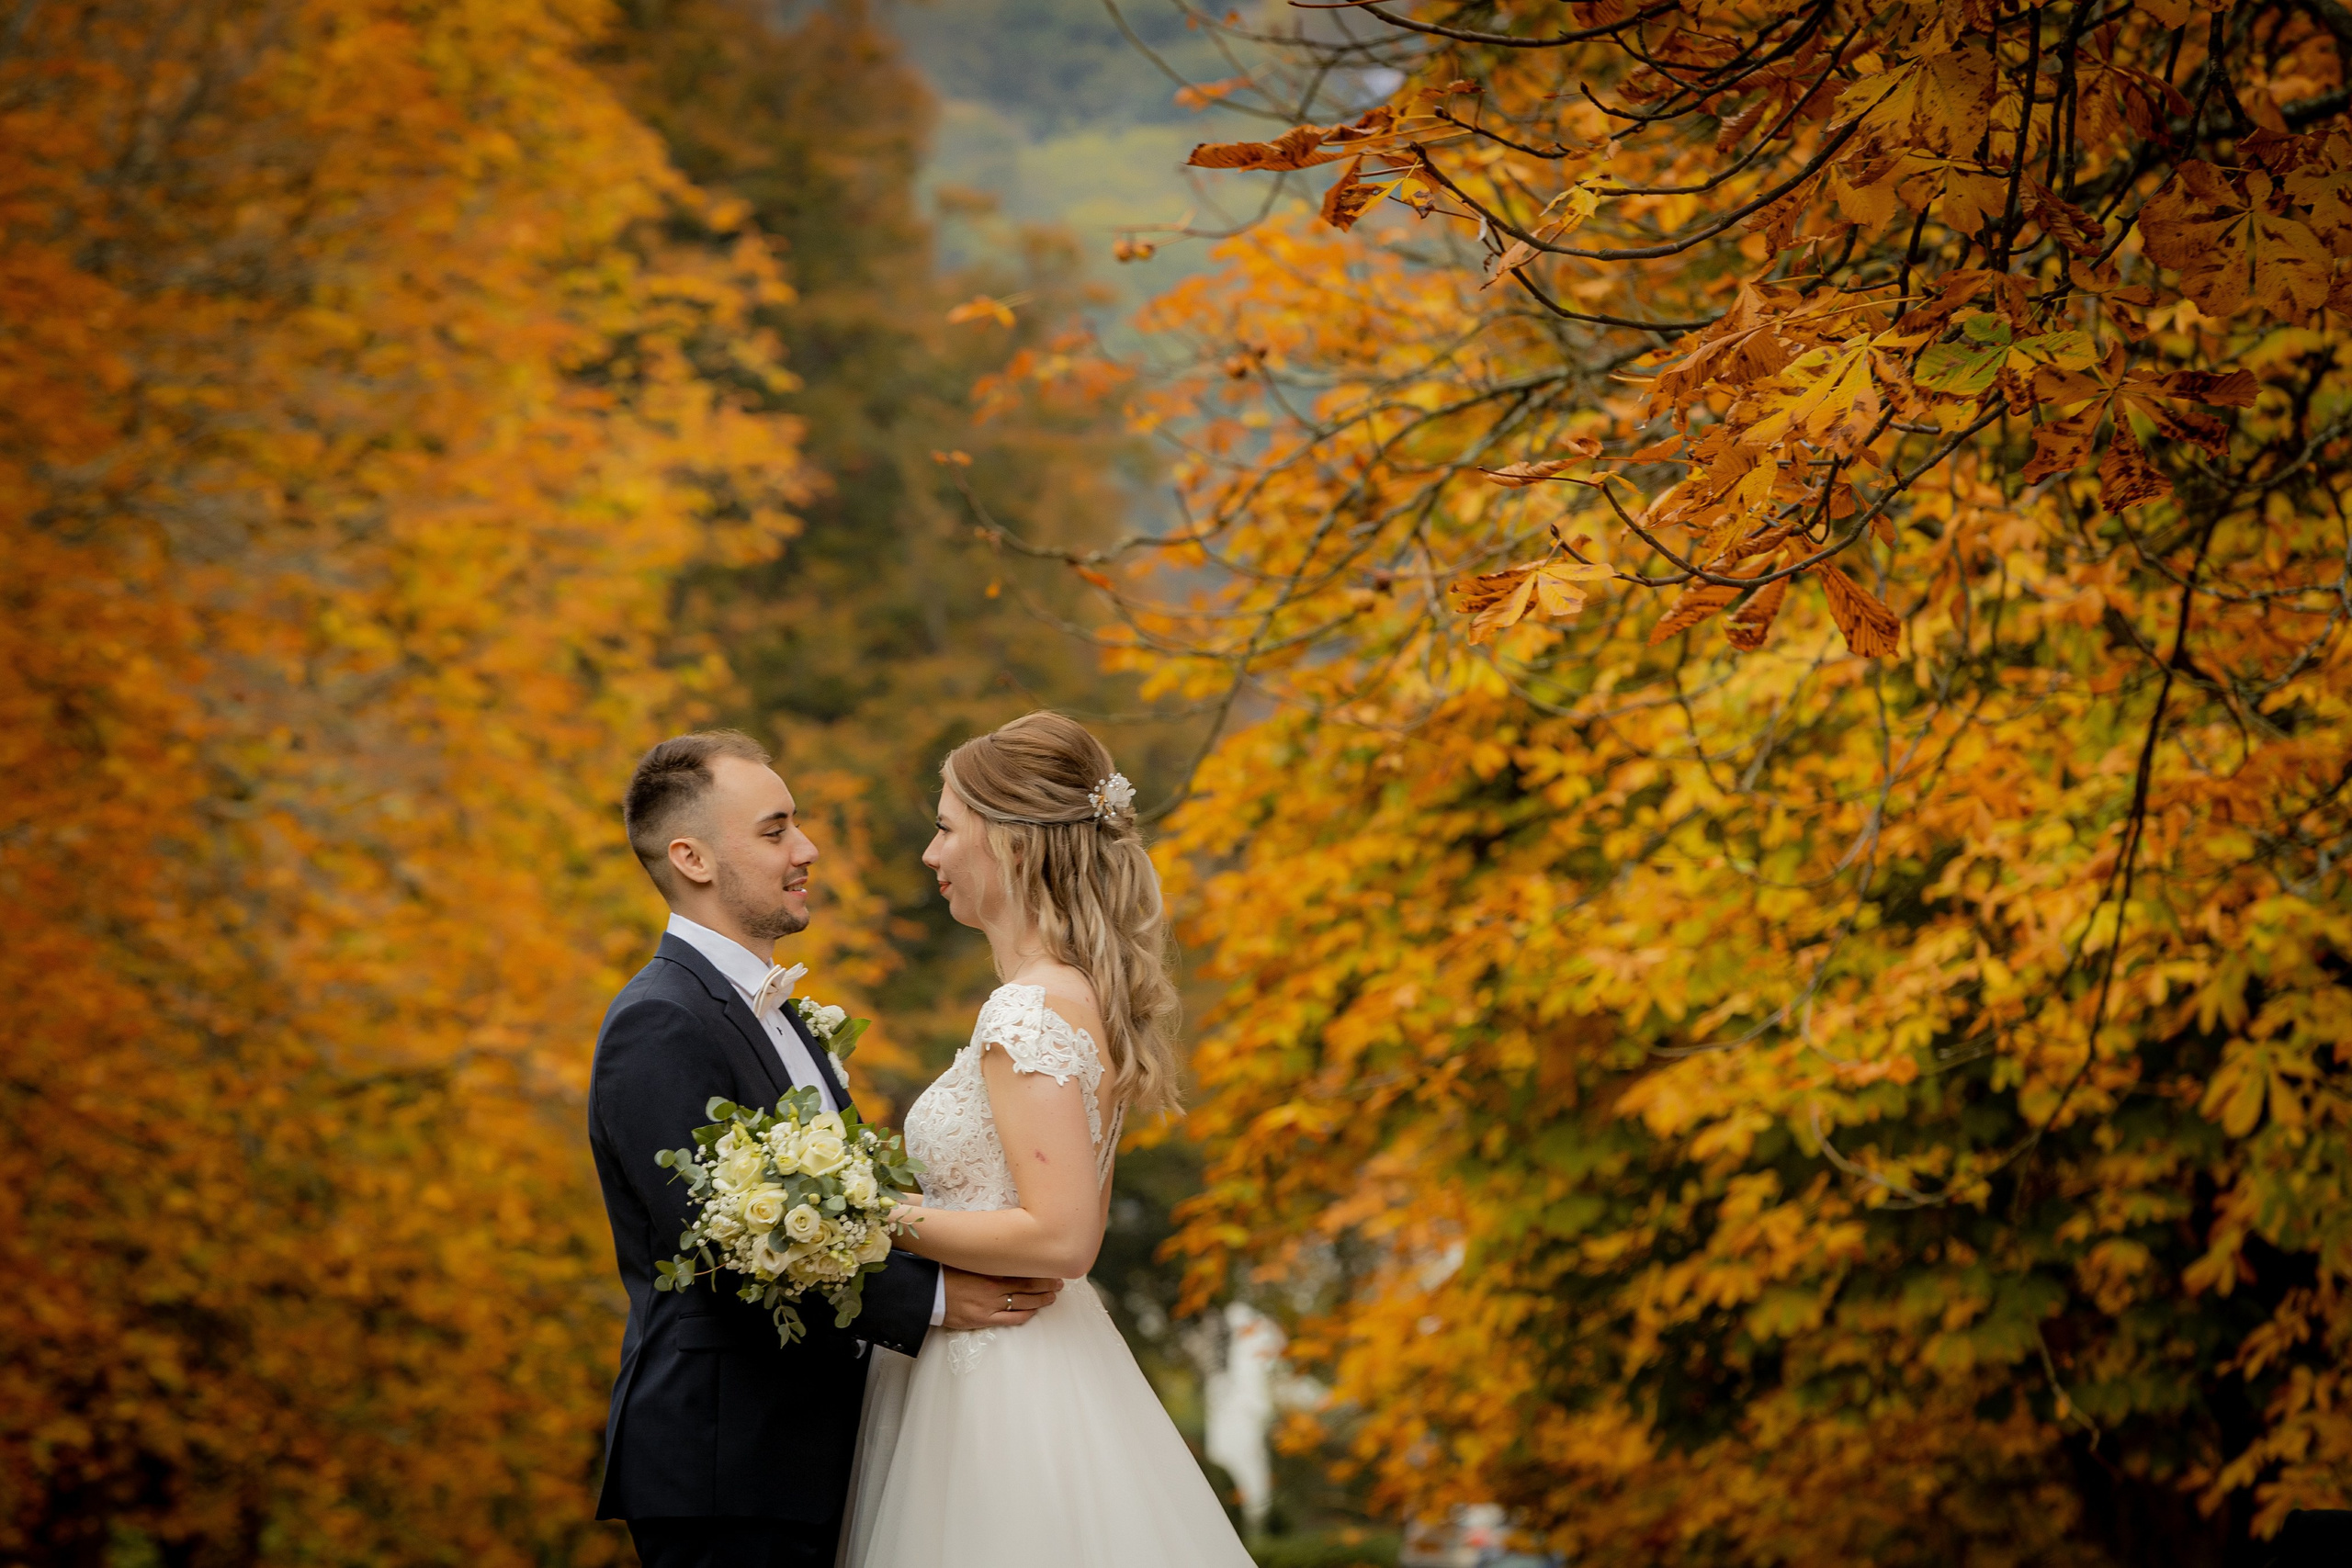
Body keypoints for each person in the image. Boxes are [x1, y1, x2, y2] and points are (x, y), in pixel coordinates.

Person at [587, 730, 1063, 1568]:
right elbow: (728, 1244)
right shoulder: (659, 1021)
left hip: (810, 1450)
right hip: (727, 1463)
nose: (806, 849)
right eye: (775, 831)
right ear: (692, 857)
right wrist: (937, 1299)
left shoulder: (785, 1012)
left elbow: (831, 1215)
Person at [840, 711, 1257, 1568]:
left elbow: (1062, 1235)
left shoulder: (1029, 1008)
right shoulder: (1066, 995)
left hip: (1003, 1384)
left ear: (1012, 846)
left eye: (947, 827)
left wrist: (869, 1216)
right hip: (1012, 1352)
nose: (931, 853)